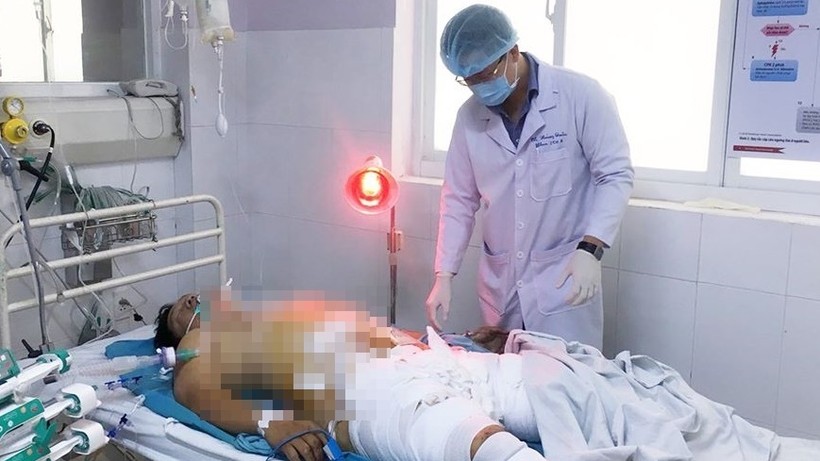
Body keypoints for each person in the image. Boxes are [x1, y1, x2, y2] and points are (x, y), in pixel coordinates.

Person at [167, 292, 816, 461]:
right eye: (182, 306)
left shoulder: (275, 316)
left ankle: (772, 451)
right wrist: (272, 419)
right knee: (451, 429)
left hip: (440, 361)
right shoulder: (205, 337)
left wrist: (461, 342)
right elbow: (191, 388)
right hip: (360, 392)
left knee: (608, 393)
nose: (197, 299)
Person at [425, 4, 634, 349]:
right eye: (470, 80)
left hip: (563, 279)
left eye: (486, 74)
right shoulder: (469, 117)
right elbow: (458, 200)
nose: (480, 88)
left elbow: (615, 174)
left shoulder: (580, 95)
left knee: (567, 375)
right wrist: (444, 274)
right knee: (505, 375)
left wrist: (591, 248)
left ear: (513, 52)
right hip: (502, 285)